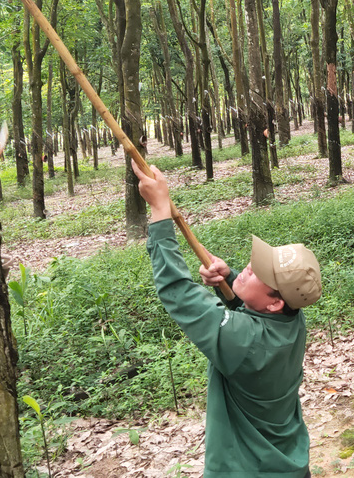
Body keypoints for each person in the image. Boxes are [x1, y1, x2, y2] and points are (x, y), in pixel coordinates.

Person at [132, 160, 321, 477]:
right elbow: (250, 318)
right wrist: (230, 279)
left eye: (259, 272)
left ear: (275, 303)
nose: (248, 266)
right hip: (289, 465)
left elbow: (177, 292)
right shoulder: (292, 322)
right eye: (255, 262)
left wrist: (160, 213)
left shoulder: (245, 341)